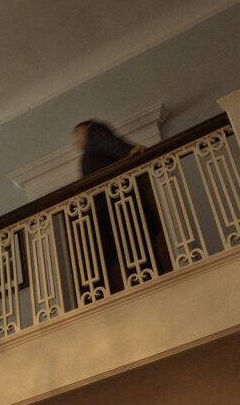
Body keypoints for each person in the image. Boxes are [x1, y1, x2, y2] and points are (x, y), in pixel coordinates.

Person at [72, 120, 172, 292]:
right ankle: (141, 282)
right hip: (113, 208)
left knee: (132, 248)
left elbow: (107, 143)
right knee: (128, 249)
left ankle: (146, 283)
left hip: (115, 207)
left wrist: (128, 151)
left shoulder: (94, 132)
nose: (76, 142)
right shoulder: (93, 146)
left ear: (85, 128)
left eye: (77, 135)